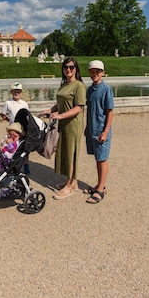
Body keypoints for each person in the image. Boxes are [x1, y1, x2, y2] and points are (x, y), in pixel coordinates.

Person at [41, 57, 86, 200]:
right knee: (65, 152)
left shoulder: (79, 86)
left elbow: (79, 108)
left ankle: (69, 185)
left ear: (76, 69)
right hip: (63, 124)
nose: (68, 69)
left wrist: (60, 116)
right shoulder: (64, 85)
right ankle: (72, 182)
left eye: (72, 67)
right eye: (66, 67)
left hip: (73, 124)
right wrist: (50, 110)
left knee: (71, 153)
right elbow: (59, 103)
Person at [83, 60, 114, 204]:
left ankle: (100, 190)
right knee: (98, 159)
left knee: (102, 159)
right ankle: (99, 185)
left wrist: (106, 131)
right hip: (92, 130)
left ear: (102, 73)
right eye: (92, 71)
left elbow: (110, 112)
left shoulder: (106, 89)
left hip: (101, 130)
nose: (94, 74)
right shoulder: (90, 89)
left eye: (97, 72)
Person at [0, 82, 30, 174]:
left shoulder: (24, 103)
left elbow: (28, 115)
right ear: (11, 92)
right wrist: (9, 120)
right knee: (11, 147)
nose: (17, 93)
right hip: (12, 130)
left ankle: (26, 165)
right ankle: (11, 164)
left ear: (21, 92)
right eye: (15, 91)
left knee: (23, 147)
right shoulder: (8, 103)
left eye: (19, 91)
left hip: (22, 130)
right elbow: (2, 114)